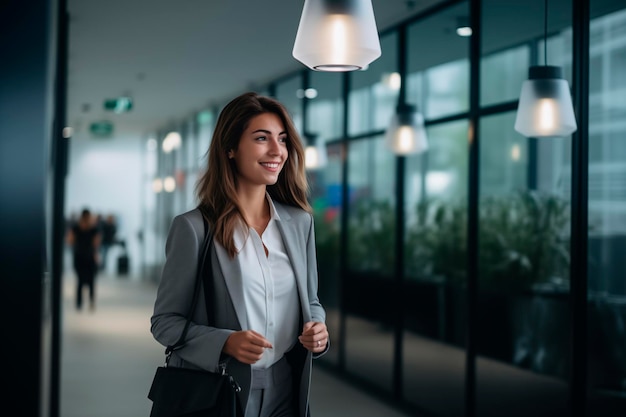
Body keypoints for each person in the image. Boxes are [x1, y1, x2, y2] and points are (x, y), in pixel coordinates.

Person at [150, 92, 329, 417]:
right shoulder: (194, 229)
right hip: (219, 389)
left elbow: (311, 301)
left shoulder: (299, 223)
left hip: (286, 386)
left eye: (283, 140)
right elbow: (164, 323)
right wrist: (225, 342)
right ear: (230, 149)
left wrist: (317, 328)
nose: (277, 151)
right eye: (262, 138)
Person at [66, 208, 101, 311]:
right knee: (90, 281)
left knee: (80, 281)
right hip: (88, 256)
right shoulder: (93, 229)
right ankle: (90, 302)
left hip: (79, 256)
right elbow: (96, 244)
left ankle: (79, 303)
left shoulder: (76, 228)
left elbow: (70, 241)